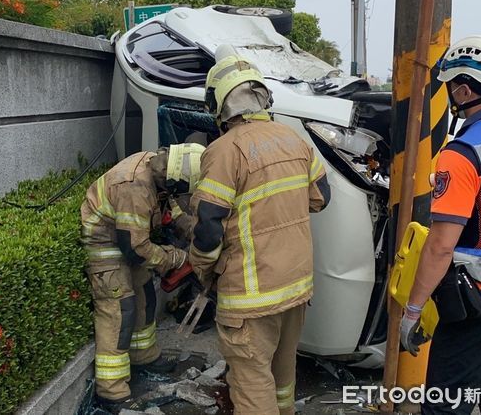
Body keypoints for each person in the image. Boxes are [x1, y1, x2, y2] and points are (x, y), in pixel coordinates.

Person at [188, 45, 331, 415]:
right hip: (296, 289)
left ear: (218, 104)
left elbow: (207, 230)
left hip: (250, 299)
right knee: (282, 380)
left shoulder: (224, 151)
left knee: (252, 387)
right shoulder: (294, 139)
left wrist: (203, 271)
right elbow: (320, 198)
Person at [400, 35, 481, 415]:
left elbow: (440, 246)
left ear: (464, 89)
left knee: (442, 403)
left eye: (451, 87)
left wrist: (412, 311)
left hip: (476, 298)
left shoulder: (461, 154)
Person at [80, 143, 205, 410]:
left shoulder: (161, 169)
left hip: (129, 235)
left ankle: (143, 355)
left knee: (145, 293)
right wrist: (175, 258)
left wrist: (198, 236)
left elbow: (174, 212)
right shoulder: (134, 187)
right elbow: (135, 249)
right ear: (174, 179)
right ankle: (111, 391)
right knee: (120, 309)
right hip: (105, 244)